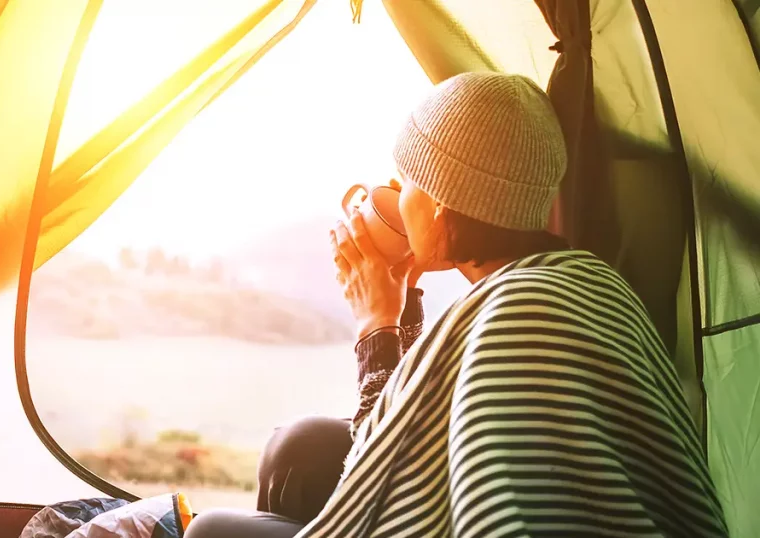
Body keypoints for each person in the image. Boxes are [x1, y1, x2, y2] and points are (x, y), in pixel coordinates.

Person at [185, 72, 728, 537]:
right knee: (298, 446)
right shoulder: (579, 279)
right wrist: (402, 303)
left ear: (443, 210)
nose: (394, 193)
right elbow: (428, 415)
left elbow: (387, 468)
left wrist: (375, 322)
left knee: (207, 531)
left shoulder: (514, 315)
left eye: (407, 181)